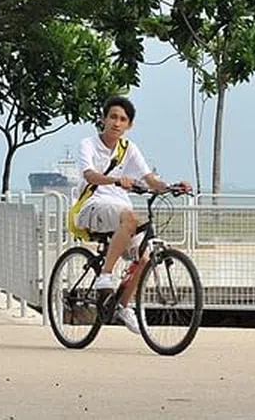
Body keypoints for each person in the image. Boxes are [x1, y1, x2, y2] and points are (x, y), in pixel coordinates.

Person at [76, 95, 191, 333]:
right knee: (130, 217)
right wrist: (117, 180)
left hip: (119, 206)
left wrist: (170, 186)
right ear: (104, 119)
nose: (117, 123)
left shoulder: (129, 149)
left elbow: (149, 178)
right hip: (93, 204)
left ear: (129, 125)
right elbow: (89, 175)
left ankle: (122, 306)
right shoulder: (88, 144)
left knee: (145, 258)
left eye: (123, 119)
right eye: (113, 117)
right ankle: (105, 276)